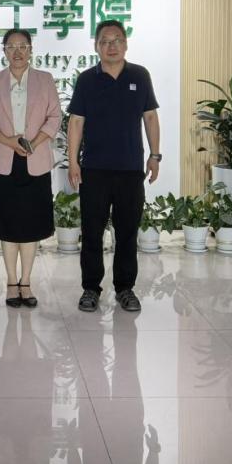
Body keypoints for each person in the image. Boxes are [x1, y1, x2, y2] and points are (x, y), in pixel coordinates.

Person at [67, 20, 161, 313]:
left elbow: (150, 117)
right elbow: (76, 122)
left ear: (126, 43)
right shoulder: (87, 80)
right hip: (94, 169)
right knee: (92, 232)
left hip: (130, 169)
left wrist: (155, 155)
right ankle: (90, 288)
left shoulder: (140, 76)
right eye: (105, 41)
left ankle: (125, 288)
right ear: (96, 46)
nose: (112, 46)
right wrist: (73, 162)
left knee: (127, 232)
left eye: (117, 40)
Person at [0, 29, 60, 308]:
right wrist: (9, 141)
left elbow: (54, 117)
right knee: (8, 223)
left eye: (23, 46)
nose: (17, 52)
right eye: (11, 46)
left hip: (36, 160)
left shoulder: (45, 80)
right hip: (4, 160)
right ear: (4, 51)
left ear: (31, 50)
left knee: (31, 224)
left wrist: (33, 143)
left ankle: (26, 281)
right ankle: (12, 282)